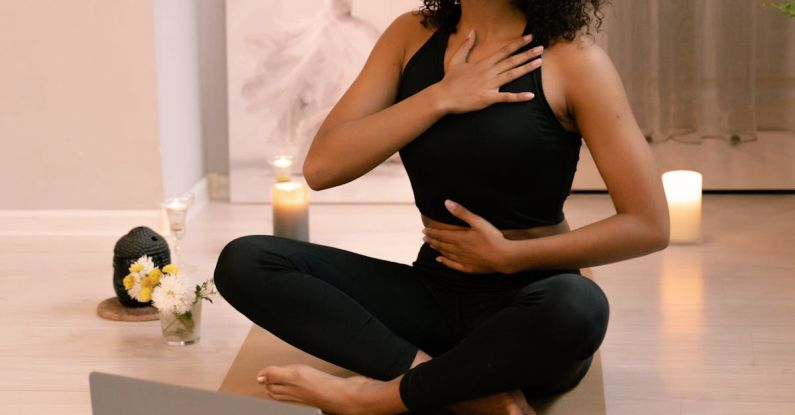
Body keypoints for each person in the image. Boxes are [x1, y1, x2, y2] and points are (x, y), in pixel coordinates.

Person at [214, 0, 670, 414]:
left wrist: (512, 256)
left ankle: (376, 397)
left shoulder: (574, 60)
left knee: (580, 306)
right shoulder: (410, 36)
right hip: (432, 296)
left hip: (531, 305)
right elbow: (323, 167)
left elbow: (648, 224)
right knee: (248, 261)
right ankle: (466, 393)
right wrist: (442, 96)